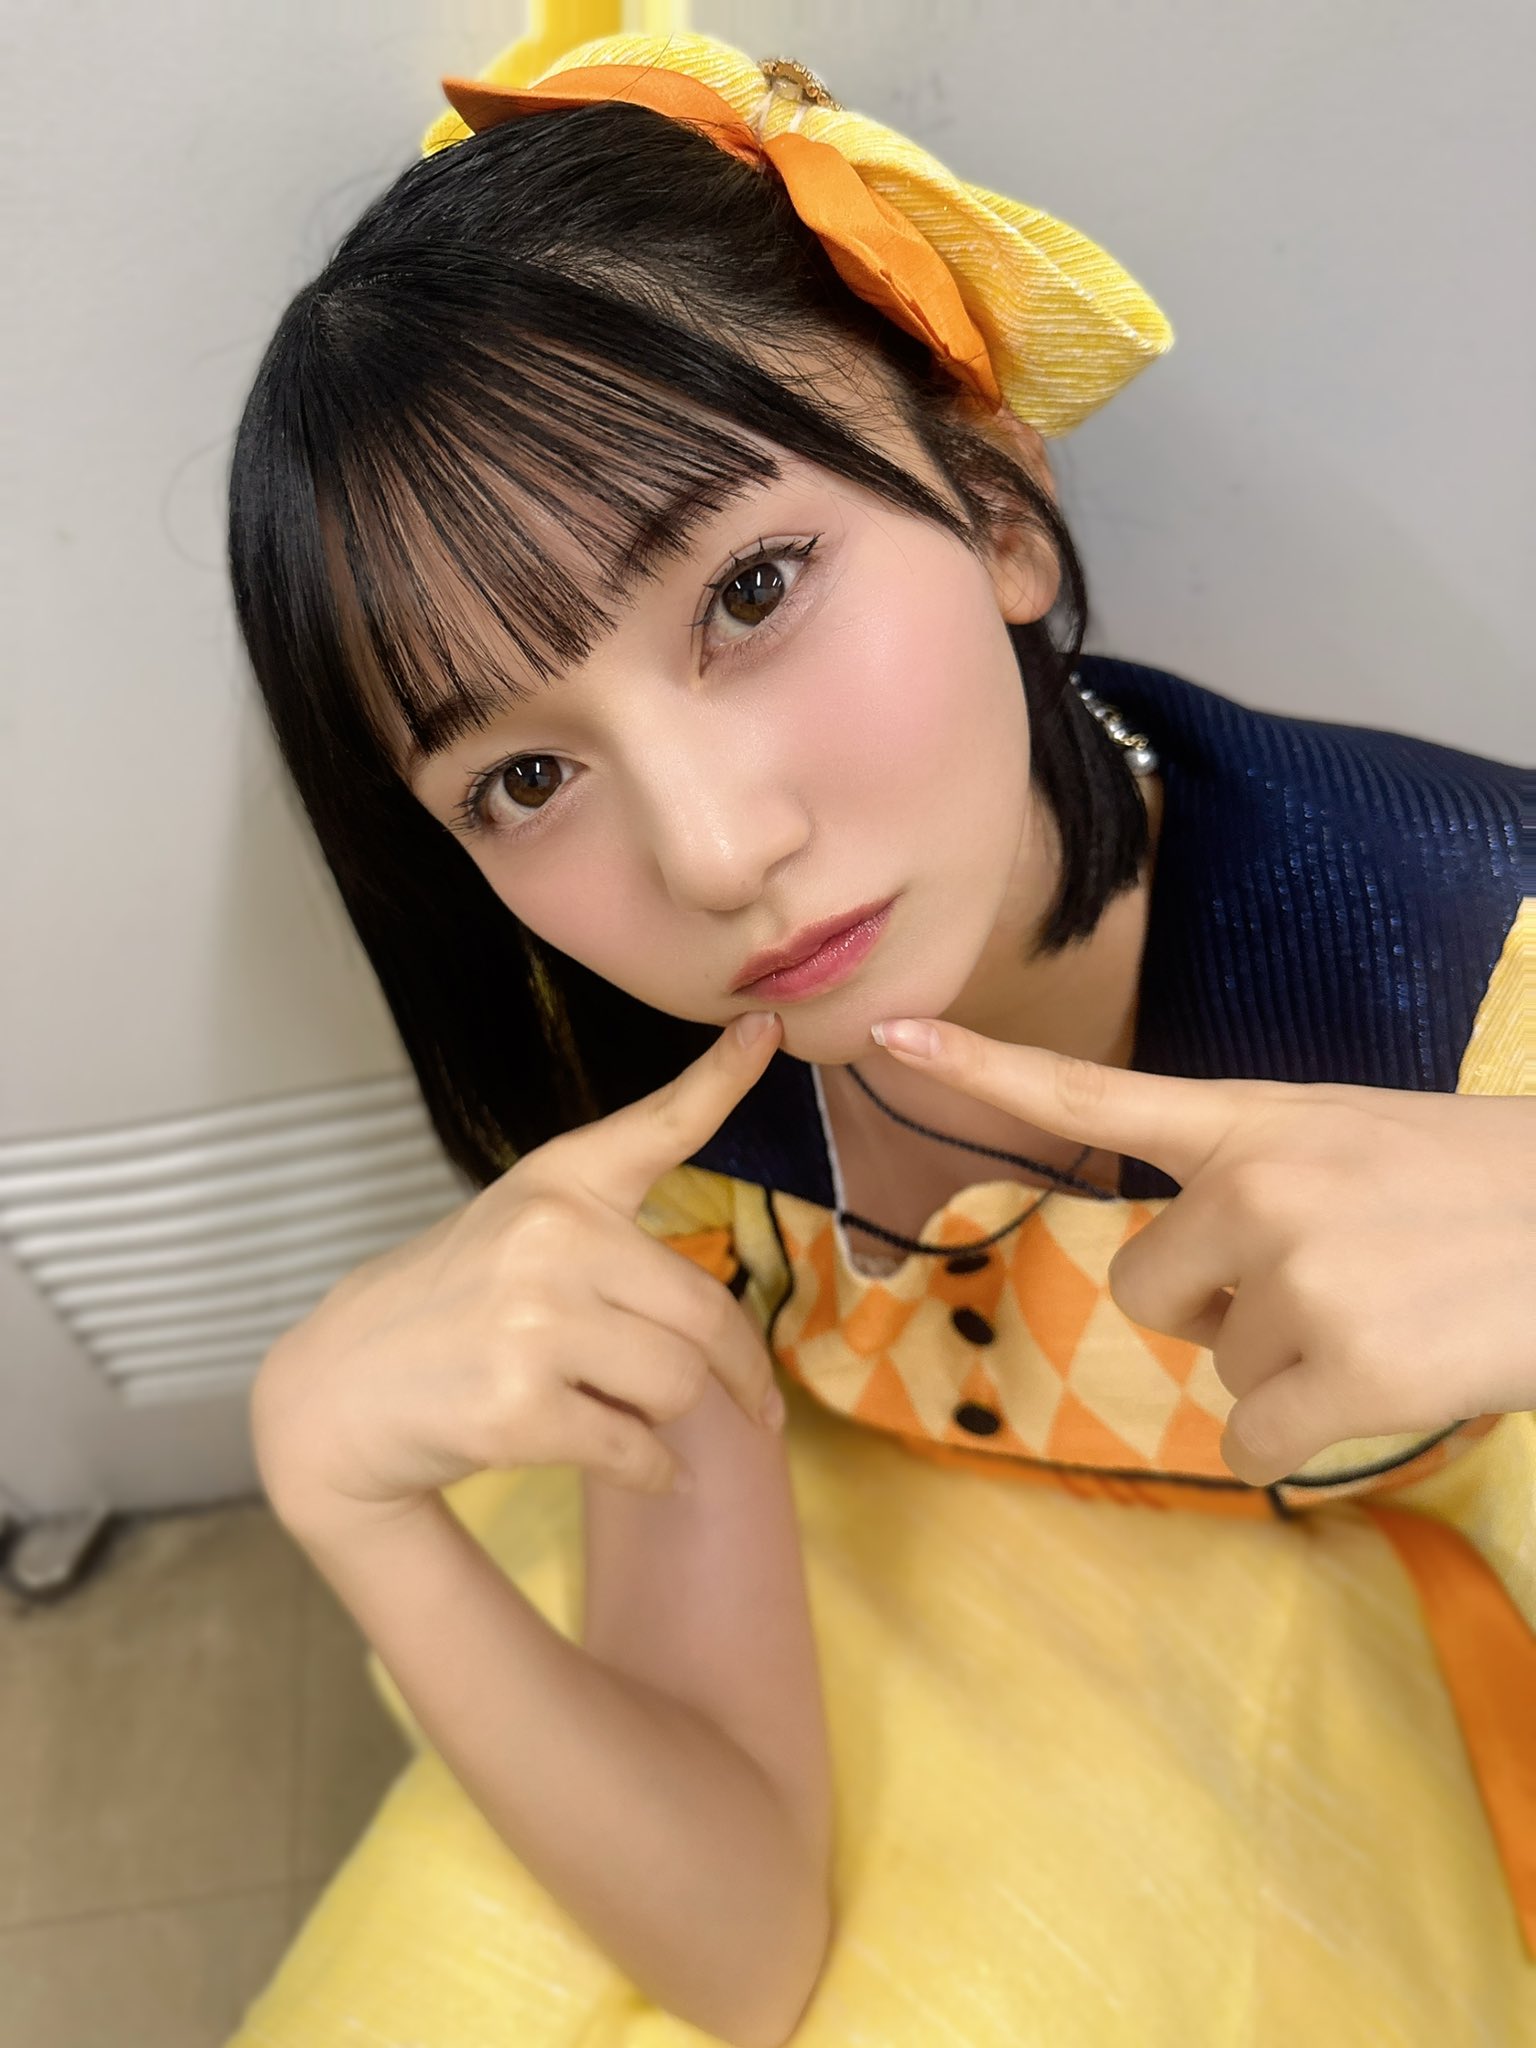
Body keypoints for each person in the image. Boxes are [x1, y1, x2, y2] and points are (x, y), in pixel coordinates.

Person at [223, 27, 1534, 2048]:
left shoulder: (1472, 944)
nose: (715, 853)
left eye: (752, 589)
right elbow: (745, 1946)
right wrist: (336, 1492)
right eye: (524, 778)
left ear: (998, 502)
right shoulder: (668, 1140)